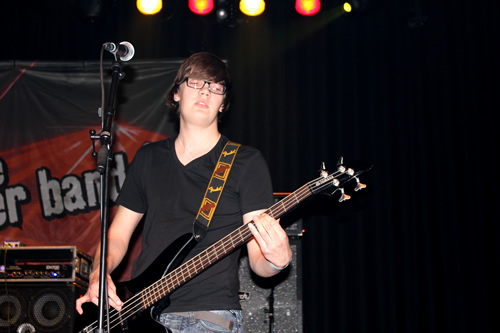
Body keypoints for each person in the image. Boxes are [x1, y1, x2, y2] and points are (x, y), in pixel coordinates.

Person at [76, 52, 293, 333]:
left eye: (216, 87)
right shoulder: (148, 158)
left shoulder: (245, 163)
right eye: (196, 82)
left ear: (223, 104)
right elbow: (117, 236)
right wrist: (98, 273)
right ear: (176, 93)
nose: (205, 90)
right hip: (141, 312)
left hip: (209, 316)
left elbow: (258, 262)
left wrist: (278, 260)